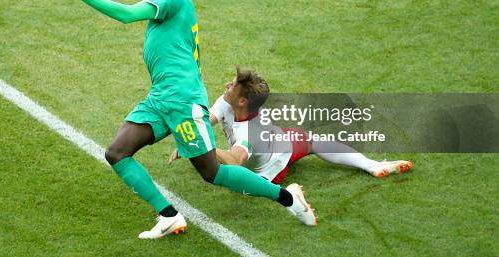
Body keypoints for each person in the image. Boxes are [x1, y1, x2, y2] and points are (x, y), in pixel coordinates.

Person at [47, 0, 317, 240]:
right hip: (161, 97)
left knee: (212, 172)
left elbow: (127, 15)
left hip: (181, 100)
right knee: (117, 152)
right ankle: (169, 215)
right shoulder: (179, 9)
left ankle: (288, 198)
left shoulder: (175, 0)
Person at [170, 67, 413, 185]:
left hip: (272, 166)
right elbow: (209, 118)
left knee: (309, 141)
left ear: (243, 100)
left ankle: (370, 166)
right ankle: (370, 164)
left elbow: (235, 159)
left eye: (231, 86)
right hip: (272, 142)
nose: (226, 86)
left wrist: (199, 147)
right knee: (311, 141)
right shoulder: (229, 101)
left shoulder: (249, 134)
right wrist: (190, 133)